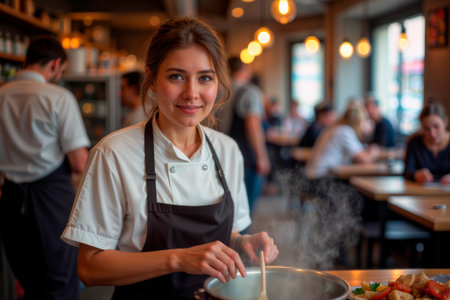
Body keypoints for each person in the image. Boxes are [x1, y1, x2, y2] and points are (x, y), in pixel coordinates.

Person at [61, 17, 278, 299]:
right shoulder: (113, 153)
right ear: (151, 80)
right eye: (176, 76)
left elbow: (230, 235)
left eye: (205, 78)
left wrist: (243, 242)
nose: (192, 93)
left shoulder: (227, 151)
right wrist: (178, 259)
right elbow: (90, 268)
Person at [0, 35, 90, 300]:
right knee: (60, 283)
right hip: (52, 202)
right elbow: (79, 163)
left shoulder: (1, 94)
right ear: (54, 65)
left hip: (11, 201)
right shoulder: (58, 97)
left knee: (28, 282)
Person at [227, 56, 271, 214]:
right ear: (243, 70)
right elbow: (253, 126)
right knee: (244, 210)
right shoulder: (249, 92)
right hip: (245, 156)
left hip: (220, 154)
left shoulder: (218, 89)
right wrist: (262, 157)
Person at [305, 105, 380, 179]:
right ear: (359, 122)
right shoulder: (345, 131)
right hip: (321, 178)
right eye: (366, 121)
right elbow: (364, 160)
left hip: (315, 176)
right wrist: (374, 152)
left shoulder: (336, 128)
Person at [404, 100, 450, 184]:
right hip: (419, 194)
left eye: (436, 126)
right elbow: (407, 172)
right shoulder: (415, 142)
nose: (432, 134)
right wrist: (416, 175)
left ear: (445, 122)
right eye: (426, 129)